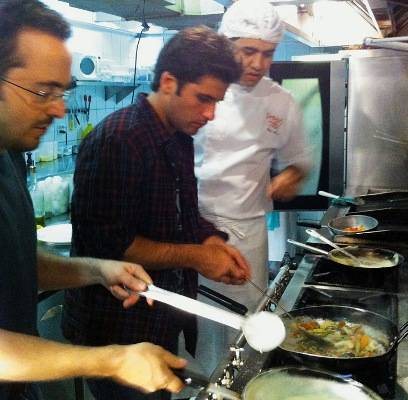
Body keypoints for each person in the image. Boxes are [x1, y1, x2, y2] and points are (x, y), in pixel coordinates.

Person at [0, 1, 188, 399]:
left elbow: (16, 263)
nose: (58, 108)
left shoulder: (9, 154)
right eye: (42, 91)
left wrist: (97, 270)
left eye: (62, 91)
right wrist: (111, 360)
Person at [62, 25, 250, 400]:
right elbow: (110, 248)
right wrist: (197, 257)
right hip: (117, 334)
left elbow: (183, 218)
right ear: (168, 82)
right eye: (203, 99)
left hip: (160, 321)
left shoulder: (178, 138)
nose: (210, 114)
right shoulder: (119, 140)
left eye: (217, 102)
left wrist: (212, 241)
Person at [194, 0, 311, 373]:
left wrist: (289, 177)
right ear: (226, 44)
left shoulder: (281, 101)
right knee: (194, 328)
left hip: (248, 234)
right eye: (248, 51)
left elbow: (300, 161)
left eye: (267, 53)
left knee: (243, 331)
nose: (258, 64)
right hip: (192, 233)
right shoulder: (200, 91)